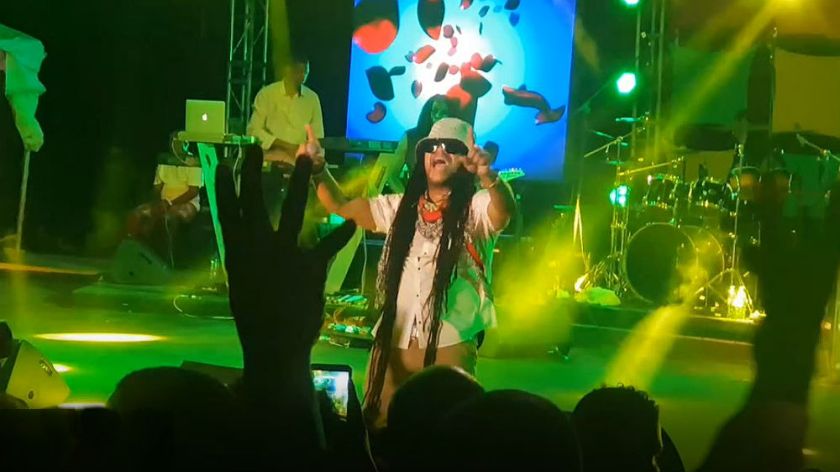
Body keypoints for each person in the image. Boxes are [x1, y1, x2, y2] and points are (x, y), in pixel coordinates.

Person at [311, 117, 516, 428]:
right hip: (394, 340)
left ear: (466, 160)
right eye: (431, 146)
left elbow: (504, 211)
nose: (439, 151)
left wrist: (489, 176)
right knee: (380, 427)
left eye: (451, 146)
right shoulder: (399, 208)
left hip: (450, 341)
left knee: (448, 431)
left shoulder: (476, 208)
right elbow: (341, 206)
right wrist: (318, 169)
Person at [247, 51, 324, 229]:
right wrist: (282, 144)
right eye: (298, 72)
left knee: (299, 217)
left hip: (298, 164)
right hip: (269, 164)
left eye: (306, 72)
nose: (302, 77)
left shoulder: (312, 98)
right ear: (287, 71)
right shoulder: (267, 94)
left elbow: (317, 136)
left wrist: (315, 160)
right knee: (266, 213)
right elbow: (253, 130)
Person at [127, 157, 202, 263]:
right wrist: (157, 203)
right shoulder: (165, 161)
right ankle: (135, 255)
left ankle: (167, 260)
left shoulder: (192, 163)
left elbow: (193, 192)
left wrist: (169, 203)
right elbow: (156, 188)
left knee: (169, 219)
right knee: (136, 214)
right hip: (164, 202)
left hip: (186, 203)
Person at [379, 95, 455, 193]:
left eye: (444, 112)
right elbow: (392, 176)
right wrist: (407, 198)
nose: (438, 116)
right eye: (435, 111)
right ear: (427, 113)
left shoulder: (457, 140)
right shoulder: (411, 138)